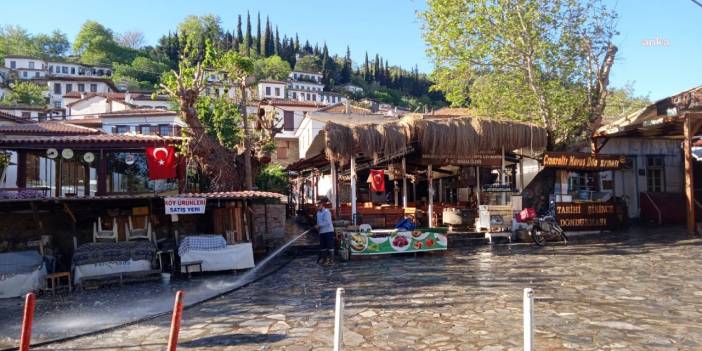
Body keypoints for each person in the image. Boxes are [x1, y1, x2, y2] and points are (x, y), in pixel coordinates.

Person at [314, 198, 335, 266]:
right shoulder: (318, 213)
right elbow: (318, 222)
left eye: (318, 205)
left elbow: (327, 222)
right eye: (317, 206)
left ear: (322, 205)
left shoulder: (327, 212)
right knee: (323, 246)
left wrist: (319, 225)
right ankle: (324, 260)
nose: (317, 207)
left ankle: (331, 261)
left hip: (328, 231)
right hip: (322, 232)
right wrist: (318, 229)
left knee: (330, 246)